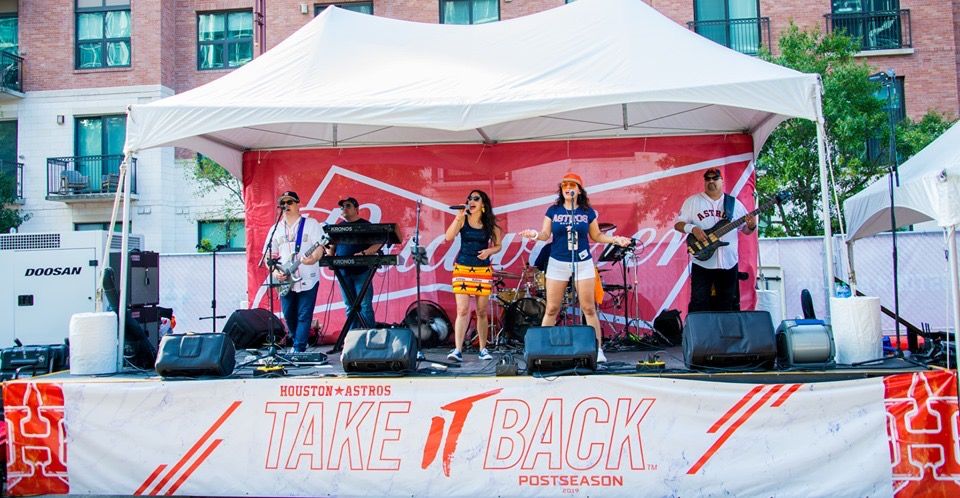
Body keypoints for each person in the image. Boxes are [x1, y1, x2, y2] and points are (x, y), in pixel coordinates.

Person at [520, 173, 632, 364]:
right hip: (558, 262)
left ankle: (597, 349)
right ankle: (542, 350)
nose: (568, 188)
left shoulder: (587, 212)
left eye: (572, 185)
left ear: (579, 190)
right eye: (565, 185)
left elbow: (596, 236)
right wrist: (534, 234)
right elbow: (545, 234)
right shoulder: (553, 210)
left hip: (582, 262)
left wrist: (615, 239)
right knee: (552, 308)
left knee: (588, 307)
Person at [674, 168, 756, 312]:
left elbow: (745, 230)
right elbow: (678, 224)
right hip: (702, 262)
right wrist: (693, 229)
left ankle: (725, 327)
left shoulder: (734, 204)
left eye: (715, 178)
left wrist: (751, 226)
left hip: (729, 263)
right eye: (708, 179)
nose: (711, 181)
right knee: (699, 304)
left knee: (727, 305)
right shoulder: (693, 202)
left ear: (722, 181)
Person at [444, 190, 502, 362]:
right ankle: (458, 350)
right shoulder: (462, 219)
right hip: (462, 268)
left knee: (481, 311)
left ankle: (483, 349)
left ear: (483, 204)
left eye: (476, 198)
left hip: (482, 270)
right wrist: (458, 217)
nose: (471, 201)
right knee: (462, 310)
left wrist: (489, 251)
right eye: (469, 198)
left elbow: (498, 245)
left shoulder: (490, 224)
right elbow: (448, 237)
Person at [266, 191, 326, 352]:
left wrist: (313, 258)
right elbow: (268, 256)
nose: (286, 205)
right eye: (283, 203)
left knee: (304, 314)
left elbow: (320, 247)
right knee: (288, 314)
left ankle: (299, 348)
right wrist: (275, 272)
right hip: (285, 278)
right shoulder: (275, 229)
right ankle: (298, 341)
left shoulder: (311, 224)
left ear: (298, 204)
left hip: (308, 276)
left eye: (290, 202)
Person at [325, 197, 383, 332]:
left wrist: (364, 253)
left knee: (365, 305)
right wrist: (330, 256)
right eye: (342, 207)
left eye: (348, 206)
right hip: (343, 272)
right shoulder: (337, 227)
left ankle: (369, 337)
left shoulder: (366, 225)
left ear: (357, 209)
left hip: (362, 271)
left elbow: (380, 241)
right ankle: (353, 337)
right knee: (349, 306)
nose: (344, 208)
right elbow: (330, 246)